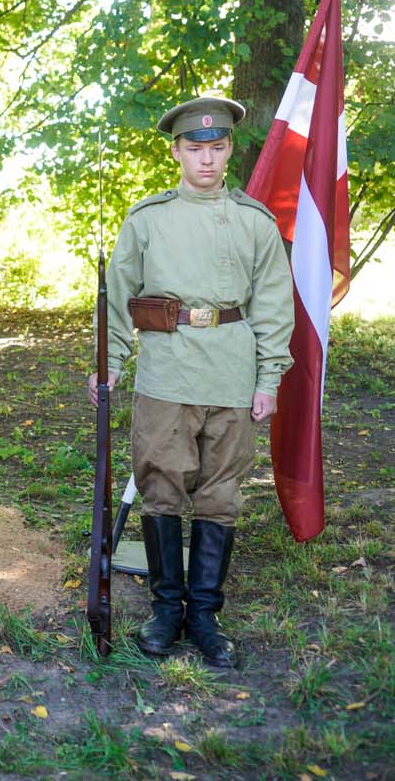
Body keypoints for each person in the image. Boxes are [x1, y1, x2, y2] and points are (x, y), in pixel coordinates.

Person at [90, 96, 293, 668]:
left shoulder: (255, 222)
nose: (207, 159)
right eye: (195, 148)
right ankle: (166, 610)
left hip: (231, 367)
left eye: (218, 147)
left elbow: (275, 305)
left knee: (220, 495)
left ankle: (204, 615)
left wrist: (269, 376)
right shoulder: (148, 218)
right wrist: (109, 364)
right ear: (177, 151)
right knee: (160, 486)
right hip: (167, 368)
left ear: (229, 149)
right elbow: (120, 297)